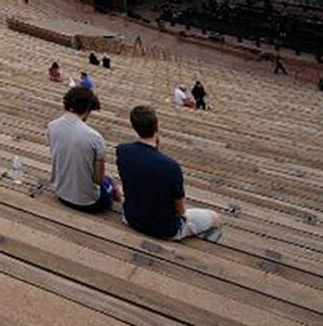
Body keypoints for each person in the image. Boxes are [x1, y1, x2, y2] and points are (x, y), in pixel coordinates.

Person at [116, 105, 222, 243]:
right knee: (215, 217)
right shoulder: (170, 166)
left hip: (131, 218)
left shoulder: (122, 151)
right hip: (165, 229)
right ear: (156, 126)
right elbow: (181, 211)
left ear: (134, 126)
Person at [46, 85, 120, 214]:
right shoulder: (95, 138)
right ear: (87, 109)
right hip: (89, 202)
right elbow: (98, 180)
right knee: (111, 183)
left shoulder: (51, 127)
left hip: (61, 193)